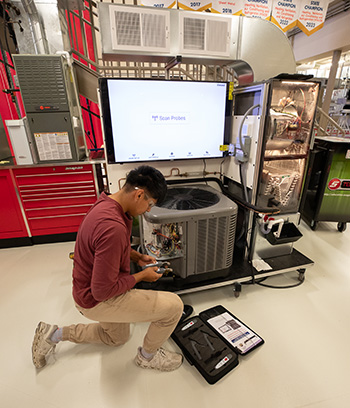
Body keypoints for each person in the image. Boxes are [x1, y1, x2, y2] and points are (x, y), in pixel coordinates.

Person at [32, 165, 184, 372]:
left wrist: (137, 256)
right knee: (174, 306)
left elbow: (107, 248)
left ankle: (54, 333)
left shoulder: (107, 203)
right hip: (96, 299)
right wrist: (141, 277)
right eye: (149, 204)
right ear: (139, 194)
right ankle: (147, 357)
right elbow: (102, 291)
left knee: (117, 338)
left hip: (86, 289)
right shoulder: (112, 226)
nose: (148, 210)